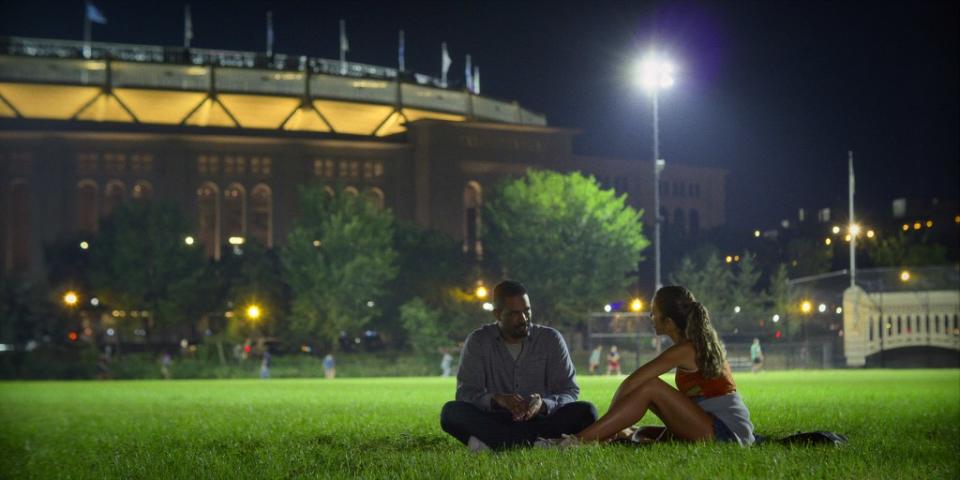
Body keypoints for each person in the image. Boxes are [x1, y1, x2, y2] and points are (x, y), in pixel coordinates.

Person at [564, 286, 755, 446]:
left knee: (651, 387)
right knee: (647, 412)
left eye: (654, 312)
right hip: (720, 426)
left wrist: (608, 425)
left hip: (727, 432)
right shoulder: (692, 345)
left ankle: (576, 441)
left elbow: (632, 382)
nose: (650, 316)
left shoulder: (685, 349)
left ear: (669, 322)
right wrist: (614, 424)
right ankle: (616, 432)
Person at [440, 280, 598, 451]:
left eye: (527, 311)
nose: (523, 319)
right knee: (451, 412)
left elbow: (569, 390)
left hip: (540, 419)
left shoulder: (550, 339)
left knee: (586, 411)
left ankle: (493, 443)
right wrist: (496, 399)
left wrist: (543, 405)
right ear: (497, 314)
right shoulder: (479, 341)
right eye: (514, 313)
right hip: (494, 419)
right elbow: (465, 393)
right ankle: (537, 443)